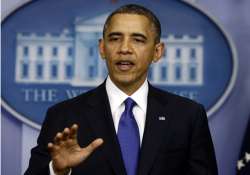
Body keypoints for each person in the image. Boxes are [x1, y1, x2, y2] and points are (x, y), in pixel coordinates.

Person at [25, 4, 218, 175]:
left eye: (138, 40)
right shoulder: (63, 116)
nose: (124, 48)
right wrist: (57, 172)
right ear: (102, 48)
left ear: (157, 52)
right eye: (115, 38)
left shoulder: (188, 116)